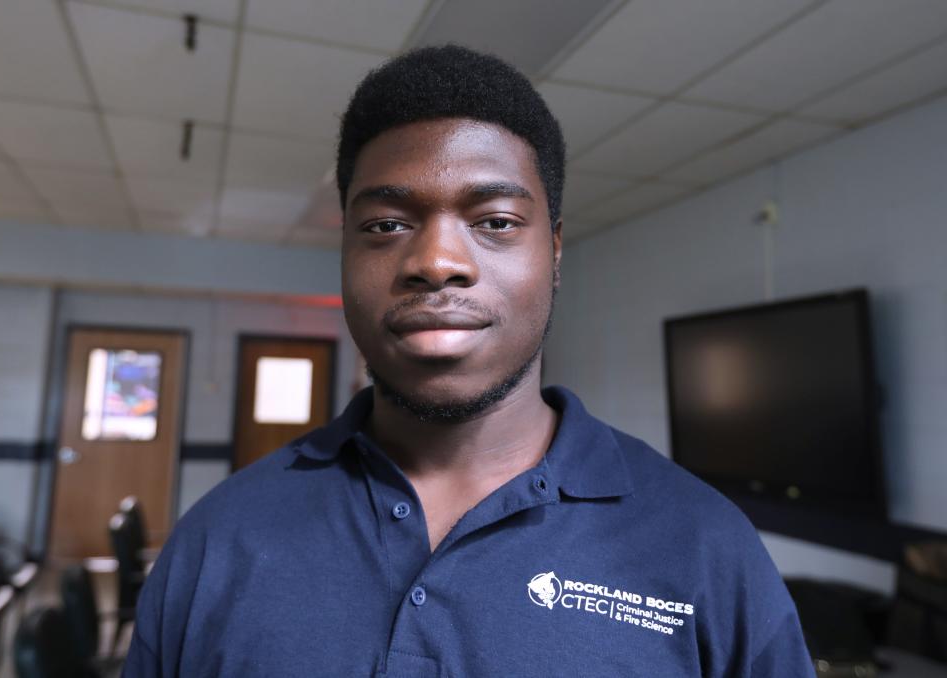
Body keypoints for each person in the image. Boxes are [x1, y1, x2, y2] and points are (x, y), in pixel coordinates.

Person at [123, 45, 814, 677]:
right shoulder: (219, 539)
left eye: (496, 222)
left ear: (556, 251)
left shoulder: (705, 547)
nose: (437, 263)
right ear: (344, 254)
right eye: (387, 226)